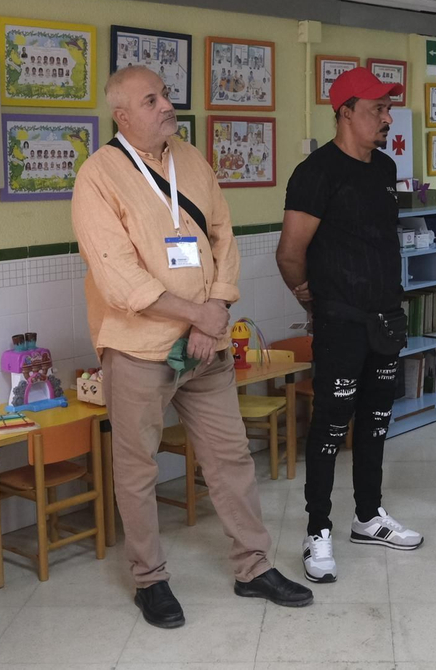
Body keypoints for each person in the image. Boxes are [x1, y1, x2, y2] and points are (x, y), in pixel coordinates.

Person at [72, 66, 311, 628]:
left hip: (206, 347)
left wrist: (216, 313)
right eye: (150, 100)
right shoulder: (98, 176)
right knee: (137, 470)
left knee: (230, 458)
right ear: (122, 116)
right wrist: (195, 314)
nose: (165, 106)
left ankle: (253, 567)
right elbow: (119, 278)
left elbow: (224, 236)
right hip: (139, 350)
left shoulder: (192, 159)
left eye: (164, 95)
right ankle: (149, 581)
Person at [277, 66, 425, 585]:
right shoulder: (316, 173)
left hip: (385, 318)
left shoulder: (384, 169)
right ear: (344, 113)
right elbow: (290, 253)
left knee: (377, 423)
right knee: (329, 428)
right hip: (340, 322)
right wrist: (309, 297)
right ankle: (318, 528)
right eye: (377, 110)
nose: (387, 118)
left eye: (388, 109)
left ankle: (368, 516)